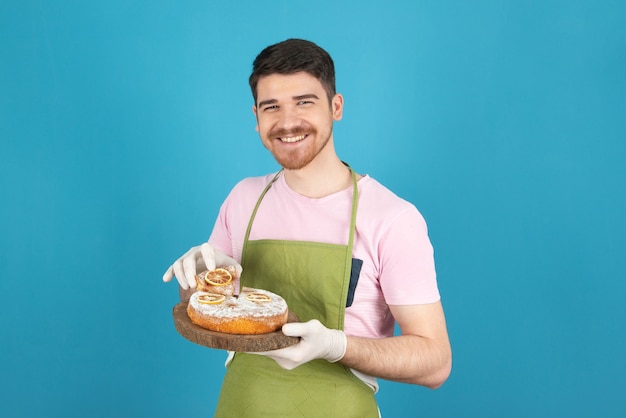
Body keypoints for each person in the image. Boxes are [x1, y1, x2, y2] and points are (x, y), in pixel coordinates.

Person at [163, 38, 451, 417]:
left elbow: (435, 362)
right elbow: (208, 312)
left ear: (336, 107)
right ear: (256, 117)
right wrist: (197, 280)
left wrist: (336, 345)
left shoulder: (391, 218)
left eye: (304, 102)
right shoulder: (244, 198)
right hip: (242, 405)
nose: (287, 122)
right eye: (271, 107)